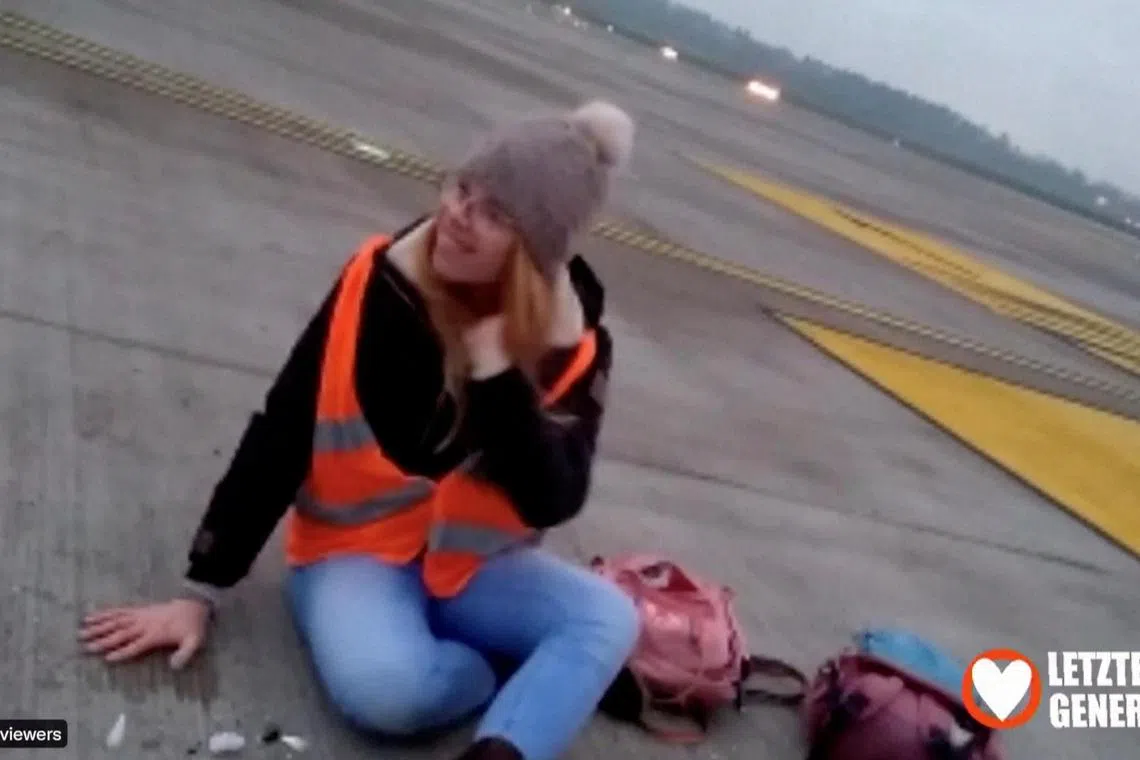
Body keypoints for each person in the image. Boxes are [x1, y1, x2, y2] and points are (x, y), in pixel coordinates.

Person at [77, 100, 641, 760]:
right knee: (388, 691)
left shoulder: (573, 346)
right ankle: (498, 673)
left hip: (475, 569)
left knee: (607, 618)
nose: (459, 215)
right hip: (354, 554)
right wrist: (202, 588)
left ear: (534, 252)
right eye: (464, 188)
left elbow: (554, 498)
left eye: (496, 214)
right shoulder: (378, 283)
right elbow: (283, 426)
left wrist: (499, 382)